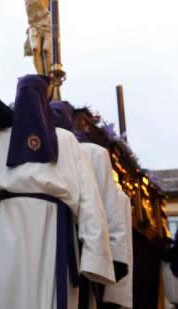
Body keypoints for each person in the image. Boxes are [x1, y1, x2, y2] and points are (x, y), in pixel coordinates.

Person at [0, 75, 115, 309]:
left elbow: (89, 201)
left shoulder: (65, 140)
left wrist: (95, 254)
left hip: (51, 226)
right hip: (8, 226)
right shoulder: (0, 136)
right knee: (5, 290)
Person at [50, 101, 129, 308]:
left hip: (80, 240)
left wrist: (115, 254)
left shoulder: (92, 152)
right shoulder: (39, 147)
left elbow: (107, 204)